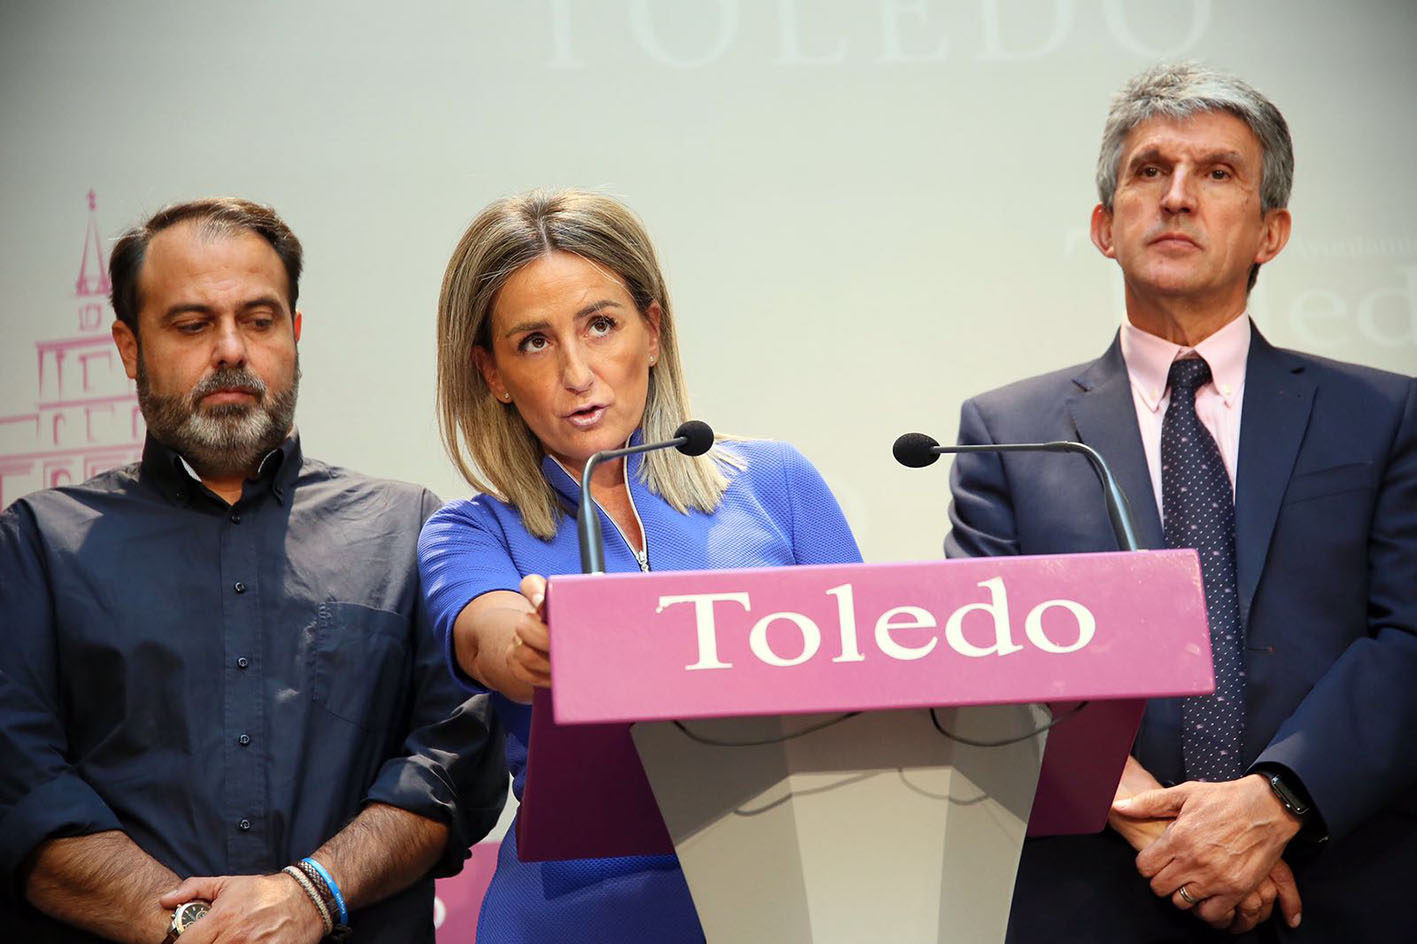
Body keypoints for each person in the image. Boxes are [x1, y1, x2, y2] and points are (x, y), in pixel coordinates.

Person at [945, 62, 1416, 942]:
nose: (1176, 197)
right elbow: (989, 660)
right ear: (1103, 226)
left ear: (1270, 231)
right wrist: (1165, 827)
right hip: (1096, 892)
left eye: (1217, 173)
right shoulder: (1004, 433)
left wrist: (1277, 802)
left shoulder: (1384, 417)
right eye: (1148, 171)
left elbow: (1408, 638)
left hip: (1339, 881)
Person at [0, 198, 507, 943]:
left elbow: (453, 764)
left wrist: (311, 894)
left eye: (260, 320)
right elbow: (19, 787)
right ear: (129, 346)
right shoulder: (40, 544)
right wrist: (201, 931)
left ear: (295, 336)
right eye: (191, 323)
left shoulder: (407, 532)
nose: (231, 349)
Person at [418, 188, 862, 942]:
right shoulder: (467, 533)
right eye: (533, 342)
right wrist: (538, 639)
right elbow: (492, 637)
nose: (577, 372)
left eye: (600, 325)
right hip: (574, 917)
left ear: (651, 332)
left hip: (787, 899)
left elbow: (871, 686)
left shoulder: (777, 484)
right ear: (491, 374)